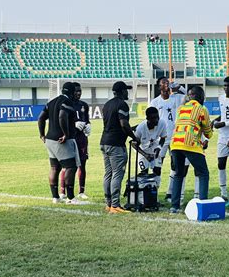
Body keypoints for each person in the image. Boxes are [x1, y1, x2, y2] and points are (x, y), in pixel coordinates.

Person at [169, 86, 213, 213]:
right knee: (203, 173)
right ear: (201, 97)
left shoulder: (181, 108)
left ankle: (174, 206)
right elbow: (207, 131)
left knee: (178, 174)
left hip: (176, 143)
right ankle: (203, 204)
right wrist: (209, 133)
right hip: (190, 143)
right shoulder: (202, 108)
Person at [100, 81, 141, 213]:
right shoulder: (122, 104)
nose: (127, 92)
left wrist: (133, 128)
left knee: (108, 173)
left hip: (105, 141)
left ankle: (109, 203)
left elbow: (114, 125)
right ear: (121, 91)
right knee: (117, 174)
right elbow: (123, 124)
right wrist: (134, 137)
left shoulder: (107, 104)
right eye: (126, 90)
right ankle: (116, 205)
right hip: (116, 144)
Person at [37, 82, 81, 205]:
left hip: (50, 139)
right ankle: (71, 198)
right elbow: (62, 116)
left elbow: (41, 118)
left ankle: (55, 197)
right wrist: (66, 134)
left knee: (54, 167)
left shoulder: (51, 101)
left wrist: (42, 134)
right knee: (71, 167)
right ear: (72, 92)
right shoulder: (67, 102)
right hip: (61, 140)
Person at [149, 77, 188, 201]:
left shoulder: (176, 98)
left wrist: (180, 88)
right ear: (159, 87)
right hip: (161, 138)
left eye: (167, 82)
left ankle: (170, 192)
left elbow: (190, 96)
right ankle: (154, 192)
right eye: (163, 83)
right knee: (157, 165)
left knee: (175, 165)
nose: (167, 84)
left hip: (175, 137)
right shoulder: (155, 102)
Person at [59, 82, 91, 200]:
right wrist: (73, 125)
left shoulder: (84, 105)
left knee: (82, 164)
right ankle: (62, 191)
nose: (78, 93)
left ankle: (81, 191)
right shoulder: (67, 104)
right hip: (70, 137)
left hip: (82, 138)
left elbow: (86, 119)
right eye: (76, 91)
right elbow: (62, 120)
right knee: (67, 165)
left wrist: (88, 126)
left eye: (80, 91)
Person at [134, 107, 166, 178]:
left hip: (154, 149)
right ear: (147, 118)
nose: (157, 120)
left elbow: (163, 138)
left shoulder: (162, 123)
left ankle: (155, 188)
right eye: (153, 118)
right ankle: (144, 188)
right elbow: (134, 144)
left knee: (157, 171)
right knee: (144, 173)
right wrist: (145, 155)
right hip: (142, 151)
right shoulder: (141, 128)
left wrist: (159, 148)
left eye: (157, 117)